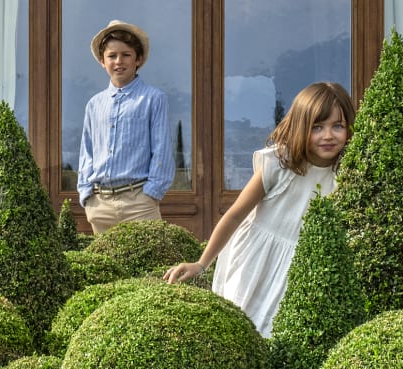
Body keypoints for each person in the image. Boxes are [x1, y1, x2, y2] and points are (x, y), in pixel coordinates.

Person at [164, 81, 355, 337]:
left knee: (283, 337)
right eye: (317, 127)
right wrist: (201, 263)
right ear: (300, 126)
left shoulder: (348, 173)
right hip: (256, 259)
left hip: (303, 268)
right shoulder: (280, 164)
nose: (328, 135)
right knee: (245, 329)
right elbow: (234, 215)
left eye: (338, 126)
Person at [77, 20, 174, 233]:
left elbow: (161, 151)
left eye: (126, 55)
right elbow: (87, 151)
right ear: (103, 61)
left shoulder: (153, 99)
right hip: (100, 204)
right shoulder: (94, 104)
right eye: (112, 56)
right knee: (105, 266)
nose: (118, 61)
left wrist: (152, 193)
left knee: (150, 265)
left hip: (139, 202)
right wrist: (86, 194)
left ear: (138, 59)